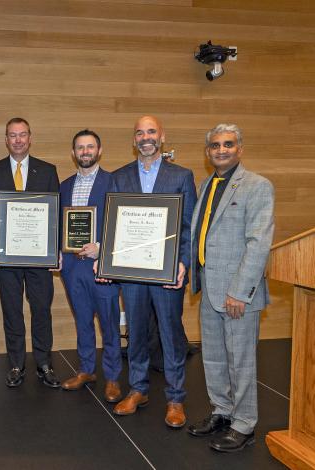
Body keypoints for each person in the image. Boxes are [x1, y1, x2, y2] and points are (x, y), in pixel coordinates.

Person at [187, 124, 274, 452]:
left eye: (228, 144)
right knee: (214, 357)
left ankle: (244, 423)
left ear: (240, 148)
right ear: (207, 151)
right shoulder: (207, 183)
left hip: (237, 293)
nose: (220, 150)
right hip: (209, 288)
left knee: (241, 360)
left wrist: (240, 291)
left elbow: (259, 242)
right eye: (214, 145)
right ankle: (222, 412)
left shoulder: (257, 186)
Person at [109, 116, 197, 428]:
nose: (145, 137)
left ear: (161, 136)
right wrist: (107, 260)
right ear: (134, 141)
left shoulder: (181, 175)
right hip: (132, 273)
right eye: (139, 133)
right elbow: (114, 225)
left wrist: (184, 262)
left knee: (171, 333)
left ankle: (175, 397)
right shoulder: (120, 177)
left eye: (151, 131)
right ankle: (138, 389)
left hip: (167, 272)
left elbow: (189, 225)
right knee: (136, 332)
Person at [0, 118, 60, 388]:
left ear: (30, 138)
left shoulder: (48, 170)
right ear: (6, 140)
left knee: (41, 310)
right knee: (12, 311)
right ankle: (16, 363)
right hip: (7, 259)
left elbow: (55, 212)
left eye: (22, 135)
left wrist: (56, 250)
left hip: (39, 258)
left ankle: (44, 363)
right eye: (12, 135)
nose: (18, 140)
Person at [60, 129, 124, 403]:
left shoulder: (115, 182)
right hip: (73, 267)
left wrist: (102, 249)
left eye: (90, 147)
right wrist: (56, 254)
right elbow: (57, 226)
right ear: (73, 153)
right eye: (80, 148)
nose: (85, 152)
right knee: (82, 320)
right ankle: (86, 369)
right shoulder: (64, 186)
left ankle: (112, 377)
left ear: (99, 151)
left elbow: (123, 224)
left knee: (109, 323)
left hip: (101, 266)